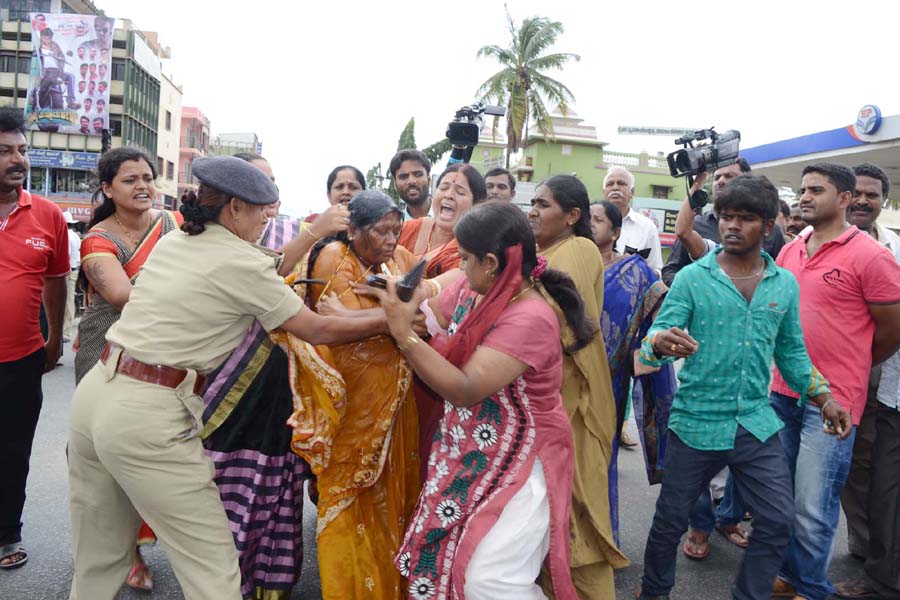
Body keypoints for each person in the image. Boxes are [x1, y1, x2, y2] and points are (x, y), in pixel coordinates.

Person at [67, 156, 392, 599]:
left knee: (100, 559)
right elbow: (314, 328)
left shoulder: (178, 240)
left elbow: (261, 275)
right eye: (263, 209)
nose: (268, 218)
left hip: (97, 394)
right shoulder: (238, 260)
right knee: (215, 571)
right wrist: (391, 319)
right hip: (146, 413)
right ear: (235, 209)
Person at [635, 173, 850, 600]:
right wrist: (659, 342)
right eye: (727, 217)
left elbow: (791, 353)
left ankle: (748, 595)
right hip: (695, 423)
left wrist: (823, 398)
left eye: (745, 218)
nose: (732, 226)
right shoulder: (695, 279)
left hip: (755, 423)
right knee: (670, 520)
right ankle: (654, 591)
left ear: (767, 226)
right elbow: (652, 340)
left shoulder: (783, 284)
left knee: (776, 520)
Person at [366, 201, 579, 599]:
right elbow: (428, 311)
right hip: (470, 451)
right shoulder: (477, 287)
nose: (459, 267)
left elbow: (464, 388)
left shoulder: (531, 316)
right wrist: (404, 302)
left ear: (492, 262)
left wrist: (405, 336)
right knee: (444, 559)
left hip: (520, 462)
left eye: (464, 259)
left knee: (489, 581)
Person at [199, 152, 349, 598]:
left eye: (272, 186)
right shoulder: (224, 243)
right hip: (229, 389)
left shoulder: (294, 233)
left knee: (279, 491)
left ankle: (271, 581)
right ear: (234, 202)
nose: (267, 197)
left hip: (282, 389)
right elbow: (273, 271)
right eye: (256, 187)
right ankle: (226, 583)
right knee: (228, 493)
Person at [770, 163, 900, 600]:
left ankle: (811, 587)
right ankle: (790, 575)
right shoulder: (792, 249)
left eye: (816, 190)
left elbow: (891, 328)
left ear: (844, 199)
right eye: (803, 190)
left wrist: (852, 368)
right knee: (784, 495)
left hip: (833, 403)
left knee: (814, 504)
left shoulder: (871, 255)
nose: (804, 197)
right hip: (782, 391)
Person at [74, 146, 183, 591]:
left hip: (166, 352)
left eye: (147, 178)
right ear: (108, 188)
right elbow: (121, 295)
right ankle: (124, 552)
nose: (142, 186)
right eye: (129, 180)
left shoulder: (173, 226)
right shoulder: (97, 239)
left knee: (157, 449)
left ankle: (145, 540)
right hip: (106, 353)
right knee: (110, 456)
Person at [306, 190, 421, 599]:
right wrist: (396, 313)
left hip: (394, 405)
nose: (391, 239)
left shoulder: (402, 260)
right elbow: (330, 325)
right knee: (345, 503)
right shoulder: (334, 257)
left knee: (394, 503)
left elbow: (423, 320)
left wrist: (381, 315)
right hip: (350, 407)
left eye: (396, 229)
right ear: (352, 230)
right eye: (380, 230)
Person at [529, 175, 627, 598]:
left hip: (577, 408)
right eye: (531, 202)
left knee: (578, 527)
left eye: (543, 204)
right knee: (544, 526)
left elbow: (556, 321)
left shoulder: (581, 249)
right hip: (548, 405)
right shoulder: (542, 254)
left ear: (572, 216)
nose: (532, 210)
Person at [670, 169, 754, 558]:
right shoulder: (707, 255)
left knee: (747, 459)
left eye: (731, 175)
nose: (723, 180)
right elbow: (684, 230)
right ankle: (701, 525)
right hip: (703, 383)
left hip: (753, 384)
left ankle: (731, 517)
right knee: (696, 466)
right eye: (717, 176)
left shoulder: (775, 244)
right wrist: (696, 186)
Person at [0, 107, 68, 570]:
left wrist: (56, 338)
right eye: (4, 151)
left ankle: (7, 534)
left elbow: (56, 281)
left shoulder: (47, 215)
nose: (17, 159)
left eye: (21, 150)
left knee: (13, 448)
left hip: (21, 358)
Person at [833, 163, 900, 600]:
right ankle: (866, 544)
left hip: (885, 368)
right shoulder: (811, 242)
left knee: (884, 472)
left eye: (871, 195)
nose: (861, 200)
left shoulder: (894, 248)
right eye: (855, 193)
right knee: (851, 463)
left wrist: (870, 362)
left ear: (883, 202)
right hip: (835, 374)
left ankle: (883, 560)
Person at [593, 200, 676, 543]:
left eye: (597, 220)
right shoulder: (561, 265)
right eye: (585, 218)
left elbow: (659, 319)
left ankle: (600, 537)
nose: (589, 223)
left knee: (599, 459)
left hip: (609, 384)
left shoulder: (635, 271)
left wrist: (656, 347)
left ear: (615, 232)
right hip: (561, 381)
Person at [397, 163, 486, 478]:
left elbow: (435, 299)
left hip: (429, 357)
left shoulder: (473, 249)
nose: (449, 194)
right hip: (386, 350)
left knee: (418, 446)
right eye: (445, 187)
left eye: (460, 191)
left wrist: (418, 290)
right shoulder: (410, 228)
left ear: (476, 205)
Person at [661, 158, 787, 286]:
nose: (733, 227)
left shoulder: (774, 236)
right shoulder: (701, 234)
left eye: (729, 176)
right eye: (717, 177)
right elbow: (681, 238)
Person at [602, 166, 663, 272]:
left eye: (621, 183)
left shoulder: (647, 227)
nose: (615, 188)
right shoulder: (590, 223)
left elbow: (655, 269)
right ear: (604, 191)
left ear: (632, 192)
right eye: (610, 184)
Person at [36, 28, 80, 110]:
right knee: (36, 84)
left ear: (51, 37)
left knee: (71, 76)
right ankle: (34, 97)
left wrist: (61, 59)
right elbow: (35, 58)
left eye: (48, 38)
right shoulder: (38, 46)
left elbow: (62, 56)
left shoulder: (55, 45)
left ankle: (71, 101)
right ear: (41, 37)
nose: (47, 40)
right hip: (45, 72)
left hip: (57, 71)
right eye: (44, 37)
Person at [389, 149, 432, 219]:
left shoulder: (451, 218)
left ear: (429, 180)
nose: (411, 181)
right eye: (403, 177)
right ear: (395, 185)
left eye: (418, 174)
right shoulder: (394, 226)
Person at [63, 210, 81, 342]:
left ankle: (65, 332)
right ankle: (66, 330)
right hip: (74, 269)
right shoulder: (74, 236)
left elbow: (66, 256)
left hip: (68, 271)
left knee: (67, 301)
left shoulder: (66, 236)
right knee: (69, 300)